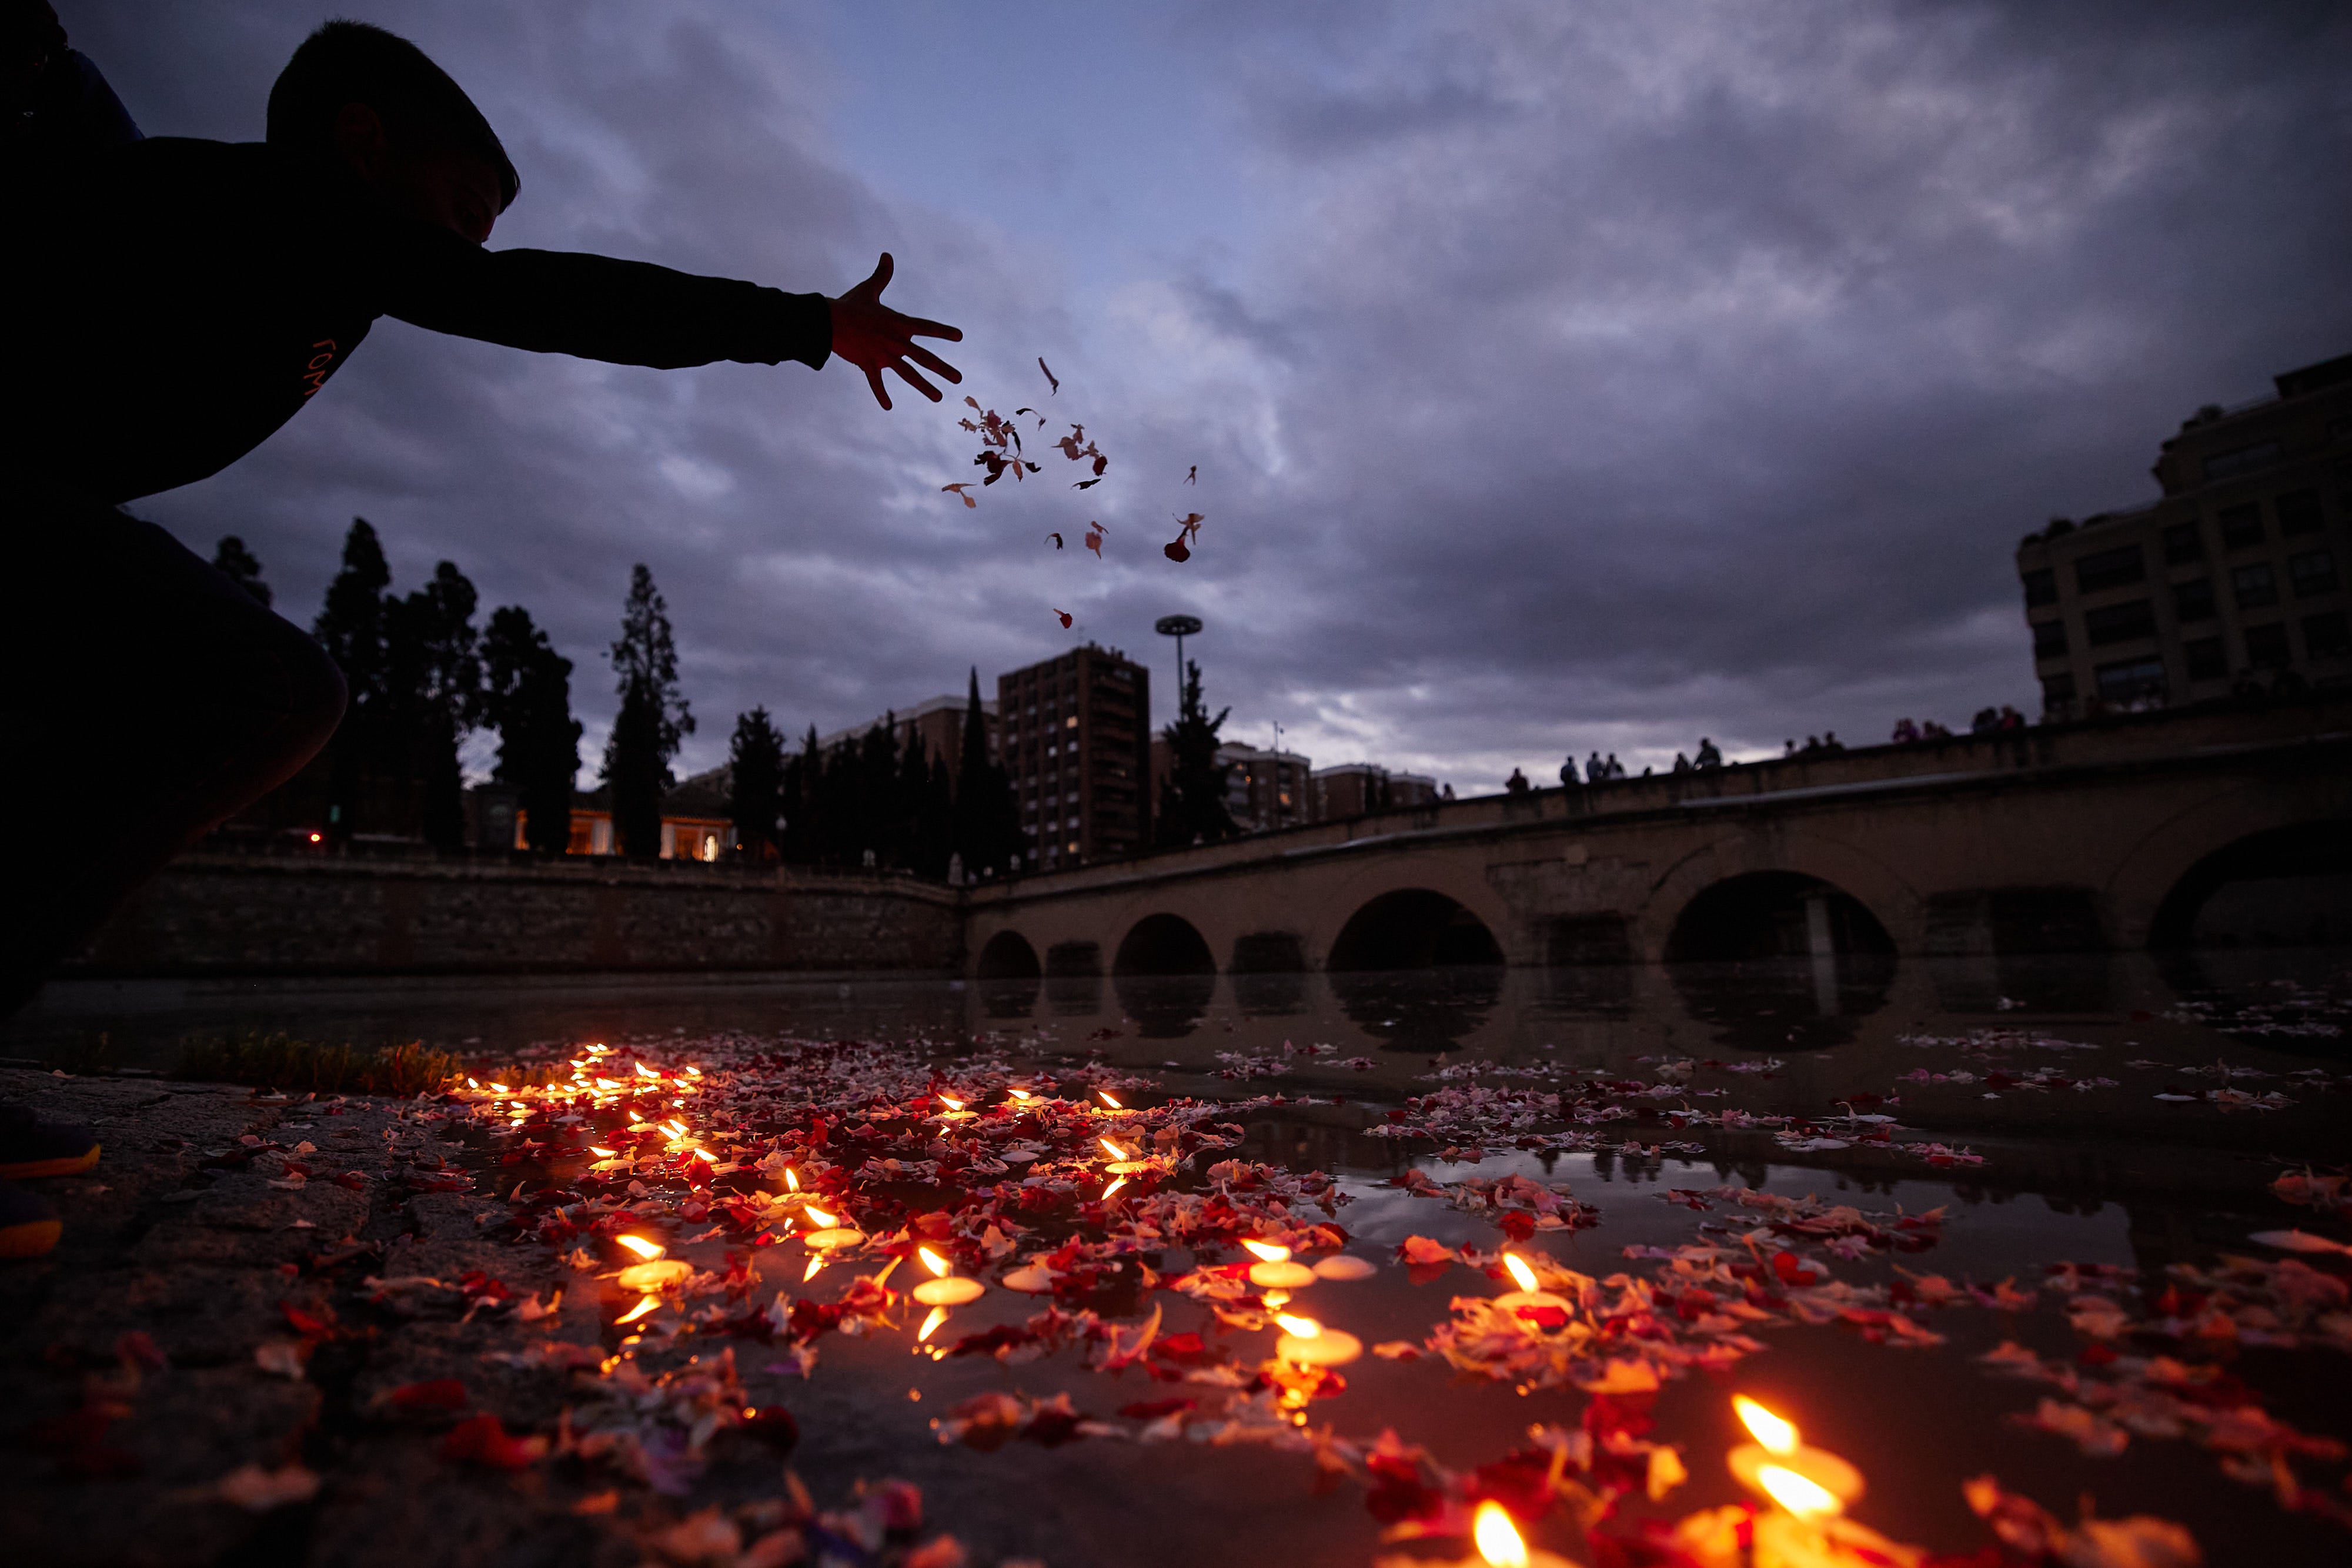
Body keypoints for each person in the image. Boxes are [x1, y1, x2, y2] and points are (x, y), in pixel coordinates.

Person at [1, 21, 961, 1018]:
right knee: (275, 692)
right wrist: (813, 324)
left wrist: (56, 69)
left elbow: (81, 118)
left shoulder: (184, 206)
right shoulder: (298, 207)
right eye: (459, 214)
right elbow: (556, 302)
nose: (457, 257)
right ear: (364, 145)